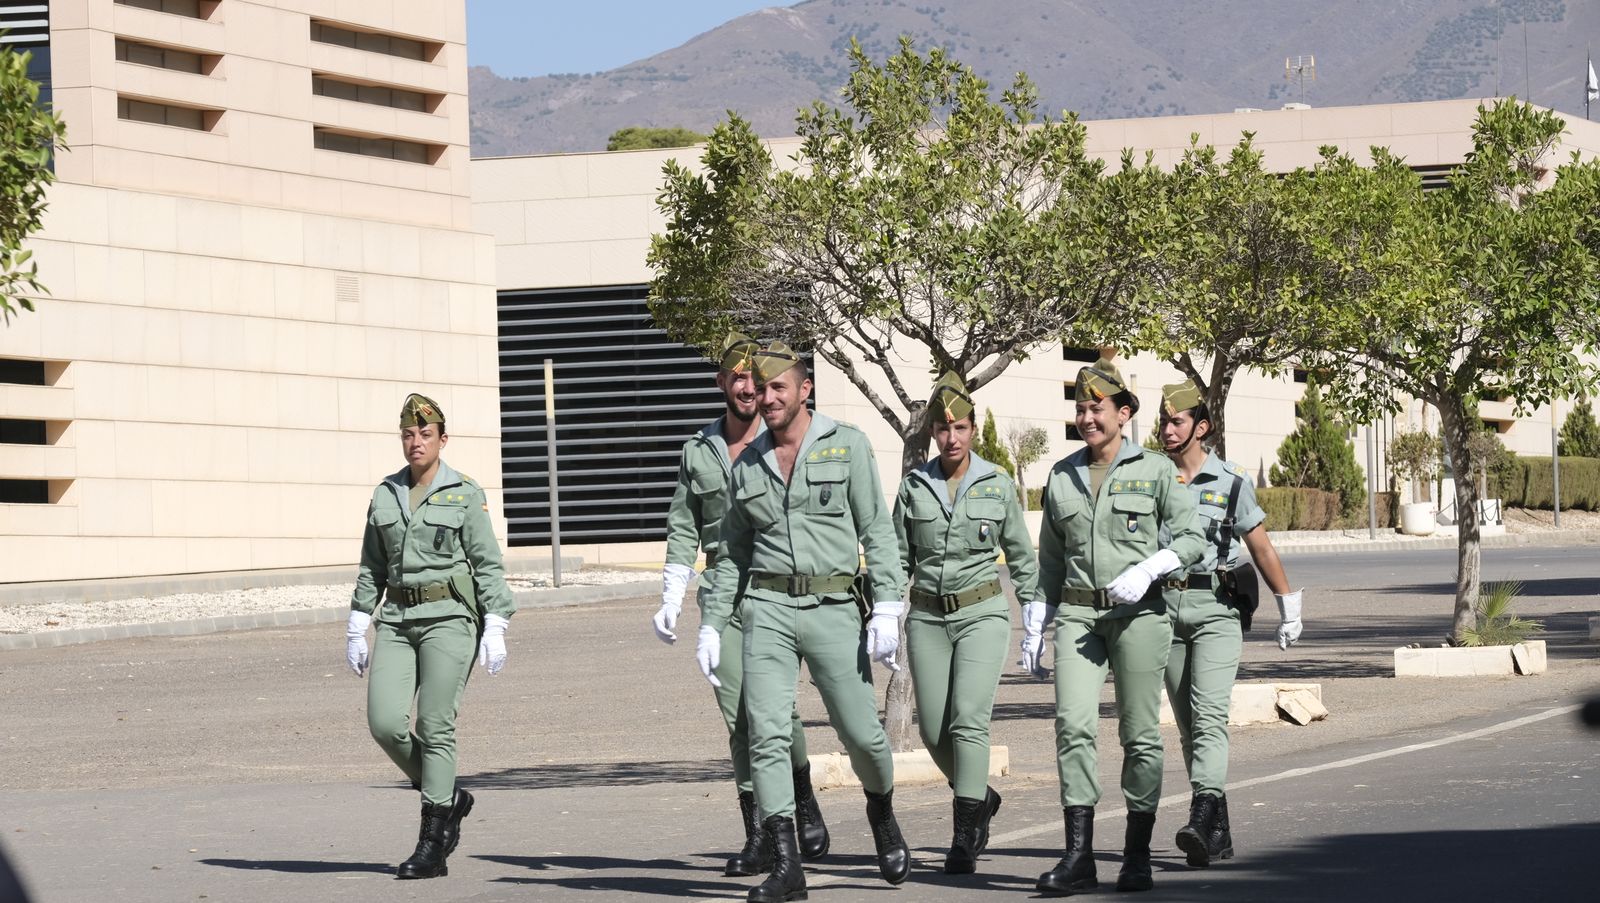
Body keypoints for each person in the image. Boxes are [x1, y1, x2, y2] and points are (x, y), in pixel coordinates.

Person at [700, 342, 910, 903]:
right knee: (766, 734)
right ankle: (788, 865)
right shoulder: (747, 464)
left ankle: (881, 813)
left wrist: (888, 603)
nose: (765, 399)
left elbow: (877, 531)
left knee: (861, 734)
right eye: (759, 389)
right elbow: (733, 553)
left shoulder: (848, 445)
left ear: (803, 391)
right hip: (766, 609)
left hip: (833, 608)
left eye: (777, 389)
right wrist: (712, 623)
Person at [651, 332, 830, 876]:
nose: (748, 386)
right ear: (722, 383)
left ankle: (801, 796)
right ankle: (760, 833)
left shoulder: (781, 440)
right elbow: (684, 523)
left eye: (756, 377)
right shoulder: (698, 450)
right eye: (737, 376)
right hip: (722, 599)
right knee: (740, 718)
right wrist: (672, 591)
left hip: (774, 589)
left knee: (777, 711)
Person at [1029, 357, 1205, 895]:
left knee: (1139, 734)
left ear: (1123, 413)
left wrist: (1153, 566)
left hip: (1139, 614)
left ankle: (1136, 855)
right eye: (1081, 408)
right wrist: (1038, 617)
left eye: (1097, 408)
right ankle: (1078, 855)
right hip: (1080, 614)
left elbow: (1192, 539)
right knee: (1073, 725)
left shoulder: (1154, 469)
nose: (1087, 417)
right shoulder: (1062, 475)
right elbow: (1052, 559)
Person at [344, 393, 516, 880]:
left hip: (450, 618)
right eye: (407, 434)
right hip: (397, 619)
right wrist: (359, 621)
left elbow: (487, 563)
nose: (415, 442)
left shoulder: (463, 491)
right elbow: (371, 565)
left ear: (443, 439)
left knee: (437, 725)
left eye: (424, 434)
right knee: (385, 723)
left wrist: (496, 623)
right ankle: (450, 796)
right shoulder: (385, 494)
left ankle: (432, 843)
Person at [892, 371, 1040, 874]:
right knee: (933, 730)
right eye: (941, 429)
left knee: (968, 720)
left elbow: (1020, 553)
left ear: (974, 428)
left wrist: (1035, 608)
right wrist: (885, 609)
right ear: (932, 432)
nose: (950, 438)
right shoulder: (916, 486)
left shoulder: (996, 484)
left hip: (981, 614)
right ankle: (982, 795)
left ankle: (964, 836)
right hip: (928, 617)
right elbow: (895, 553)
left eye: (959, 428)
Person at [1156, 379, 1304, 868]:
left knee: (1210, 716)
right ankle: (1217, 830)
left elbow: (1259, 546)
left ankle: (1200, 815)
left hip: (1216, 609)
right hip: (1164, 610)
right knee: (1187, 724)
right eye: (1164, 420)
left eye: (1176, 421)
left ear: (1202, 427)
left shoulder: (1232, 480)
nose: (1167, 429)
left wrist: (1288, 604)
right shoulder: (1152, 477)